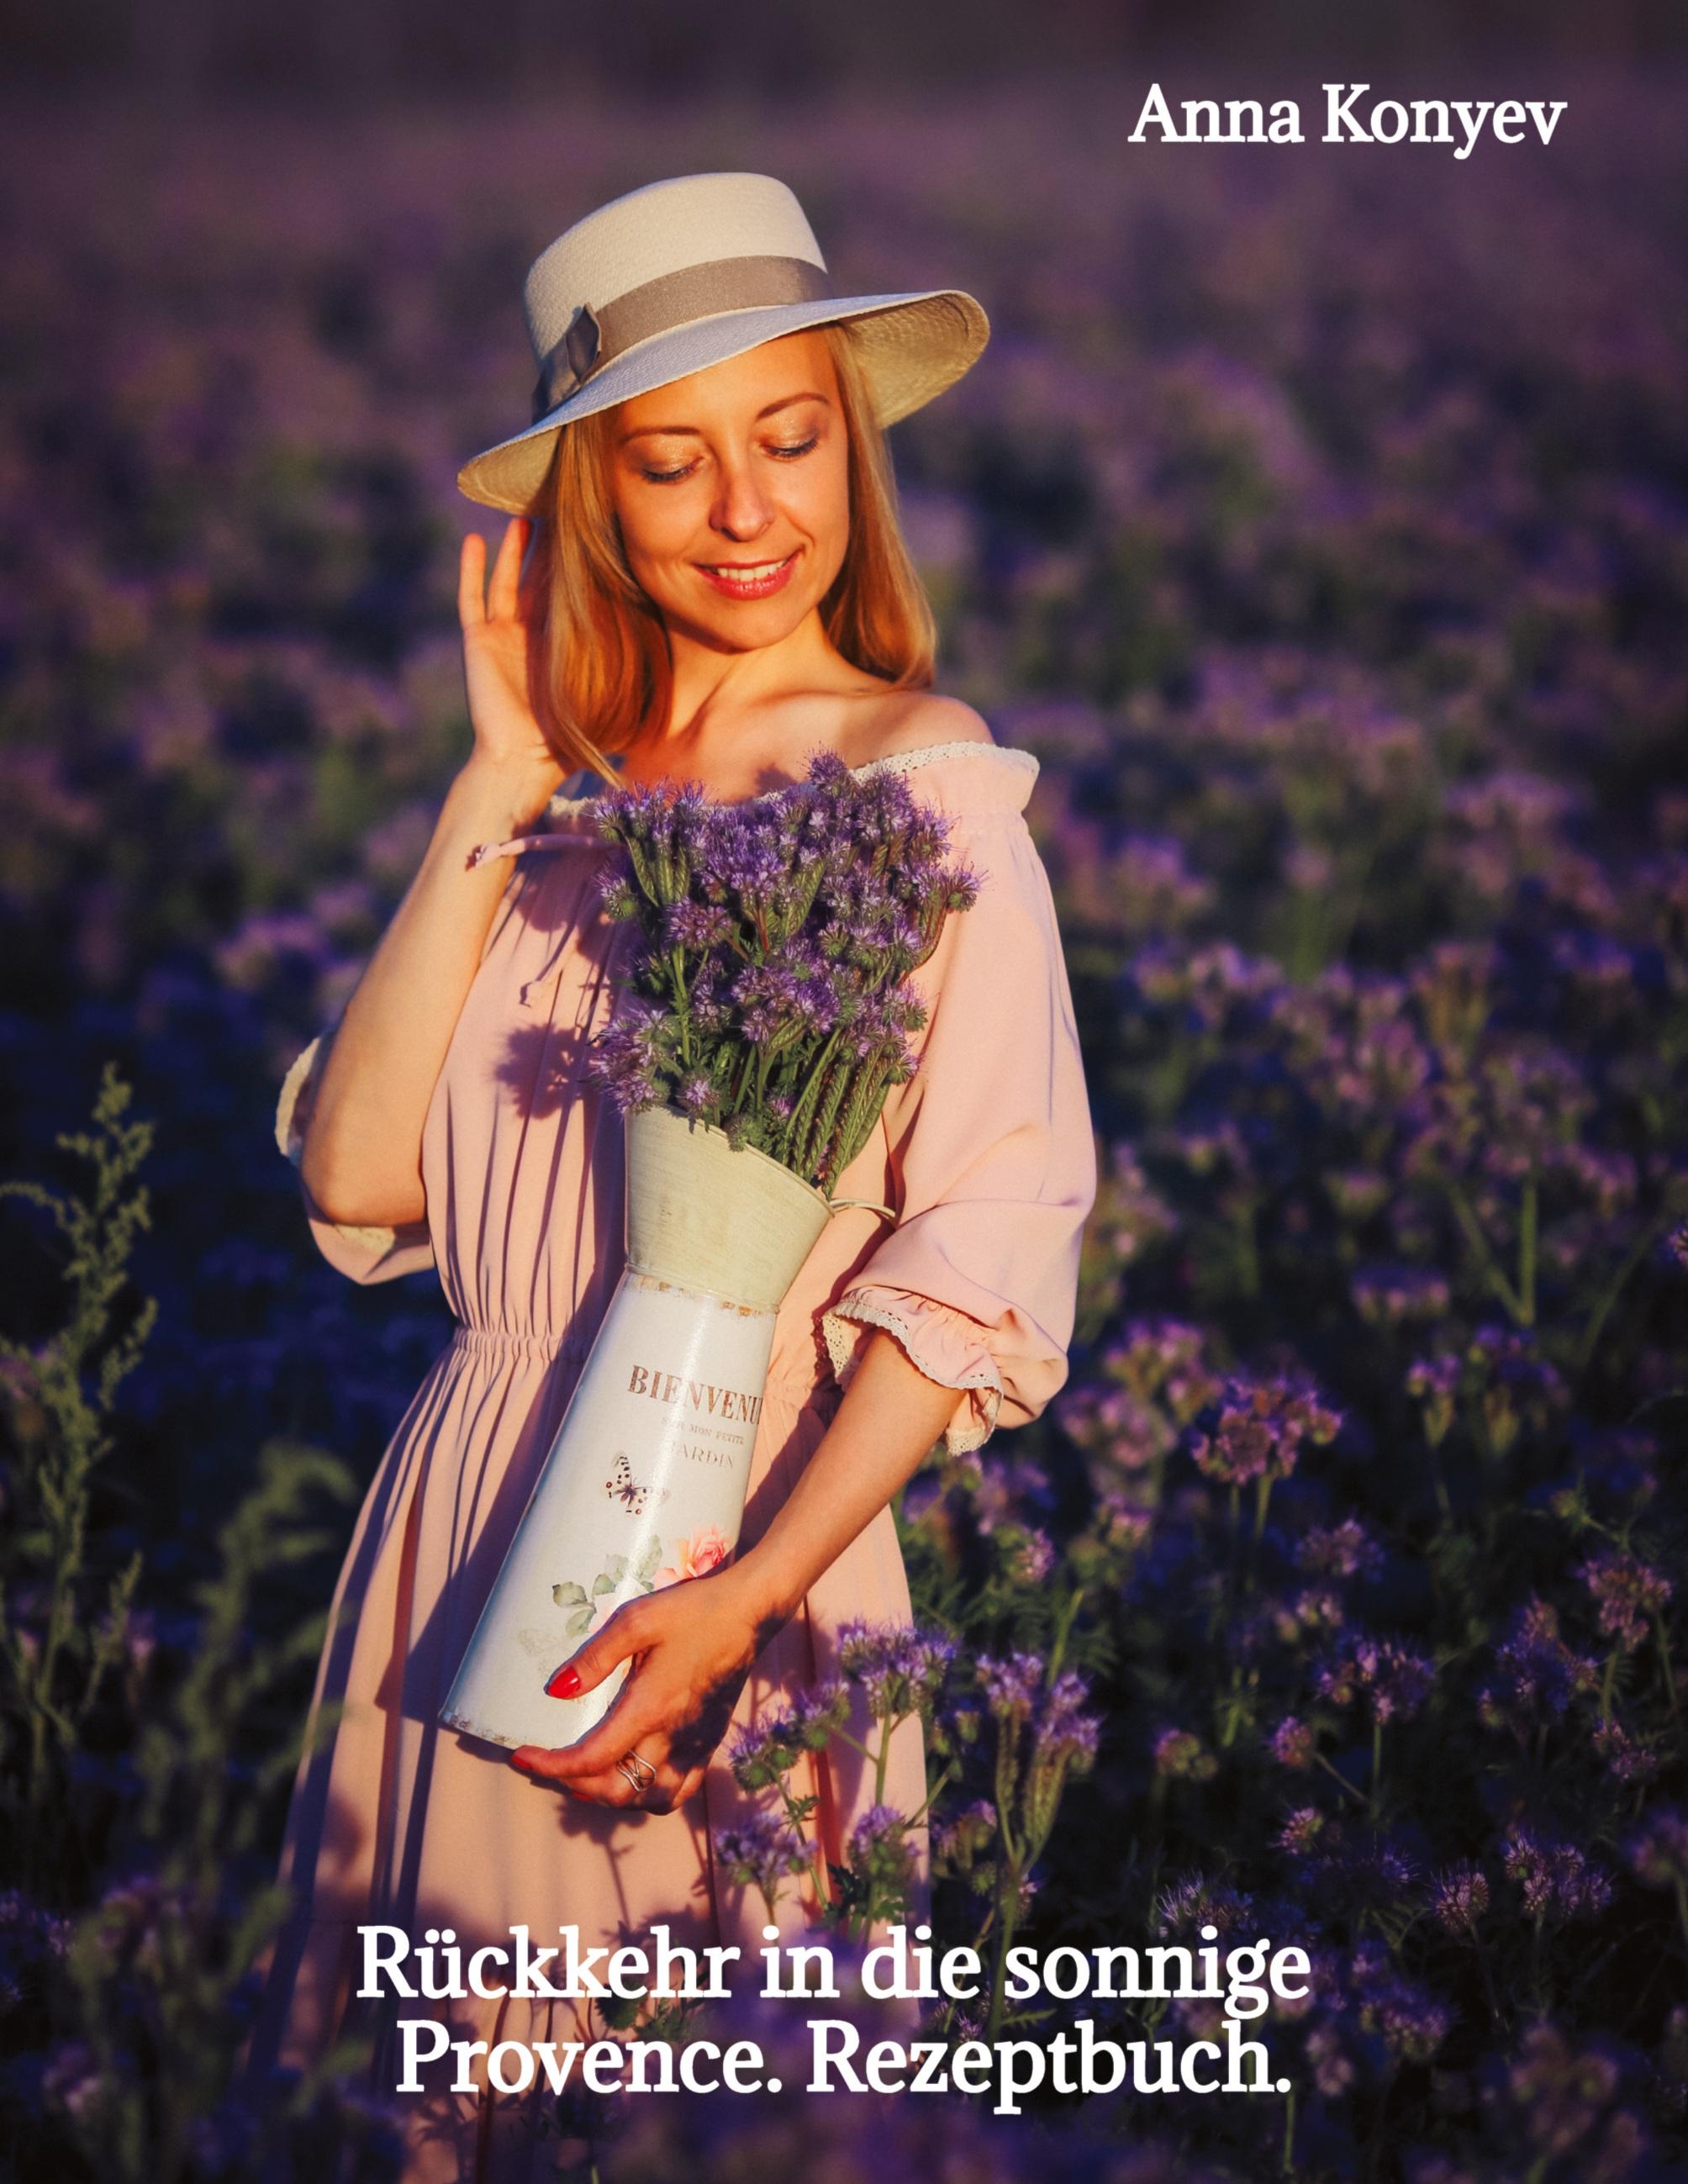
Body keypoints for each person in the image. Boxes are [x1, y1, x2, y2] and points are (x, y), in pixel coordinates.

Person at [245, 171, 1097, 2181]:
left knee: (718, 2119)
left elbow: (984, 1234)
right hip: (461, 1518)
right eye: (667, 463)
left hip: (739, 1544)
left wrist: (743, 1604)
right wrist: (489, 785)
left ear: (854, 455)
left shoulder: (916, 773)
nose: (743, 512)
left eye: (790, 441)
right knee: (439, 2112)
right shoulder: (558, 804)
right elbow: (363, 1185)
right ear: (590, 507)